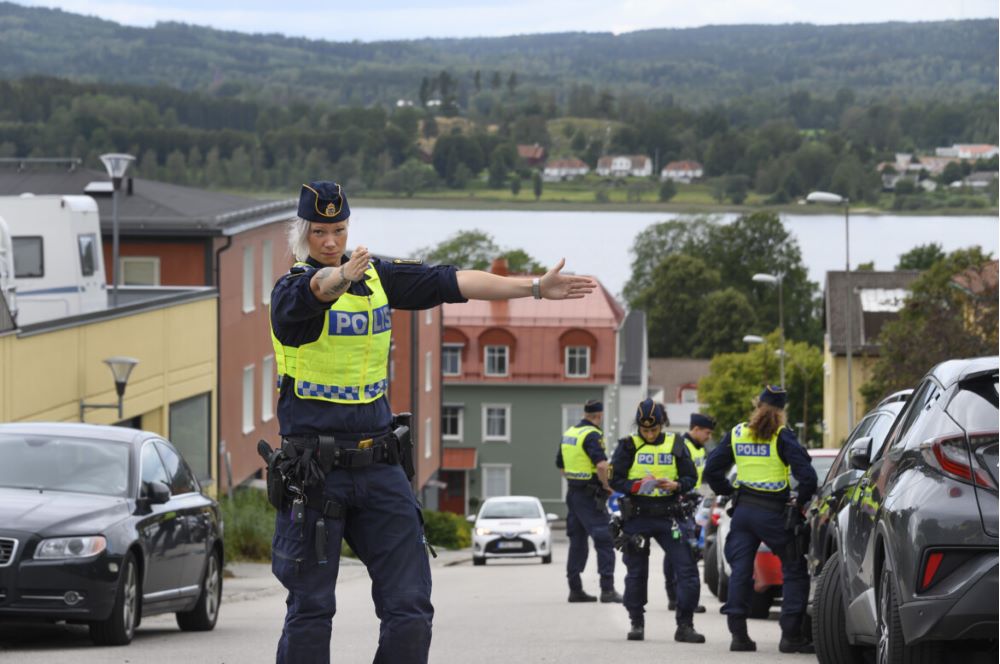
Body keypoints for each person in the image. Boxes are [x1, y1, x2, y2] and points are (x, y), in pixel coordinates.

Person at [267, 181, 596, 664]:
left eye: (339, 229)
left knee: (411, 609)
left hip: (379, 467)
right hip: (316, 474)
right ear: (303, 235)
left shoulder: (378, 276)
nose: (332, 241)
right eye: (320, 232)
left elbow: (454, 281)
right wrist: (338, 276)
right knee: (312, 609)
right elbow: (319, 289)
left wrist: (534, 289)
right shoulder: (291, 291)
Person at [702, 385, 818, 654]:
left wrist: (729, 491)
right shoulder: (782, 436)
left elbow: (712, 469)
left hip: (743, 514)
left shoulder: (737, 432)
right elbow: (808, 477)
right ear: (782, 411)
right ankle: (791, 637)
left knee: (741, 573)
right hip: (774, 514)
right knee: (794, 569)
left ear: (757, 406)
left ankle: (739, 636)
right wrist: (799, 502)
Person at [610, 398, 706, 644]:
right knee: (636, 572)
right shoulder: (628, 446)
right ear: (638, 426)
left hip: (669, 515)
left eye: (654, 430)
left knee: (687, 570)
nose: (650, 434)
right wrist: (635, 485)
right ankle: (636, 622)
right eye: (645, 430)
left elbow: (690, 477)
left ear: (662, 425)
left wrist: (677, 485)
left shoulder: (676, 444)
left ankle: (685, 625)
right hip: (638, 515)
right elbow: (615, 480)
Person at [555, 399, 622, 603]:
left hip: (573, 493)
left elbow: (560, 465)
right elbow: (601, 466)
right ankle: (607, 589)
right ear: (599, 416)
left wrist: (575, 479)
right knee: (604, 539)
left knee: (577, 541)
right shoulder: (592, 434)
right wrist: (606, 486)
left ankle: (575, 589)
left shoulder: (570, 434)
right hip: (590, 495)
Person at [664, 412, 715, 612]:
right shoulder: (679, 445)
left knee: (686, 549)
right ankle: (676, 597)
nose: (708, 437)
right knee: (677, 550)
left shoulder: (699, 449)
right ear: (695, 429)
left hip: (690, 503)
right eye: (706, 432)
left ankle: (681, 597)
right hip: (678, 503)